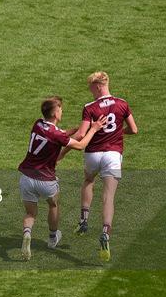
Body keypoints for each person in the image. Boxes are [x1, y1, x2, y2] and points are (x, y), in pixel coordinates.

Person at [61, 71, 138, 262]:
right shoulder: (122, 104)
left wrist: (62, 151)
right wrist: (119, 132)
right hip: (113, 155)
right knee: (108, 197)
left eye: (91, 88)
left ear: (98, 86)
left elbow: (80, 134)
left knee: (88, 180)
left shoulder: (90, 107)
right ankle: (105, 233)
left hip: (93, 154)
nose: (91, 92)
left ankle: (84, 220)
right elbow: (134, 130)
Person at [18, 96, 106, 260]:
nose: (62, 111)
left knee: (30, 213)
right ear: (56, 113)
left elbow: (51, 136)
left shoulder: (38, 124)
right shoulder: (57, 134)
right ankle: (52, 238)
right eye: (60, 109)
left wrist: (68, 133)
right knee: (53, 204)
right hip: (46, 179)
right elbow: (80, 146)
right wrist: (93, 129)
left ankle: (27, 233)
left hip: (26, 177)